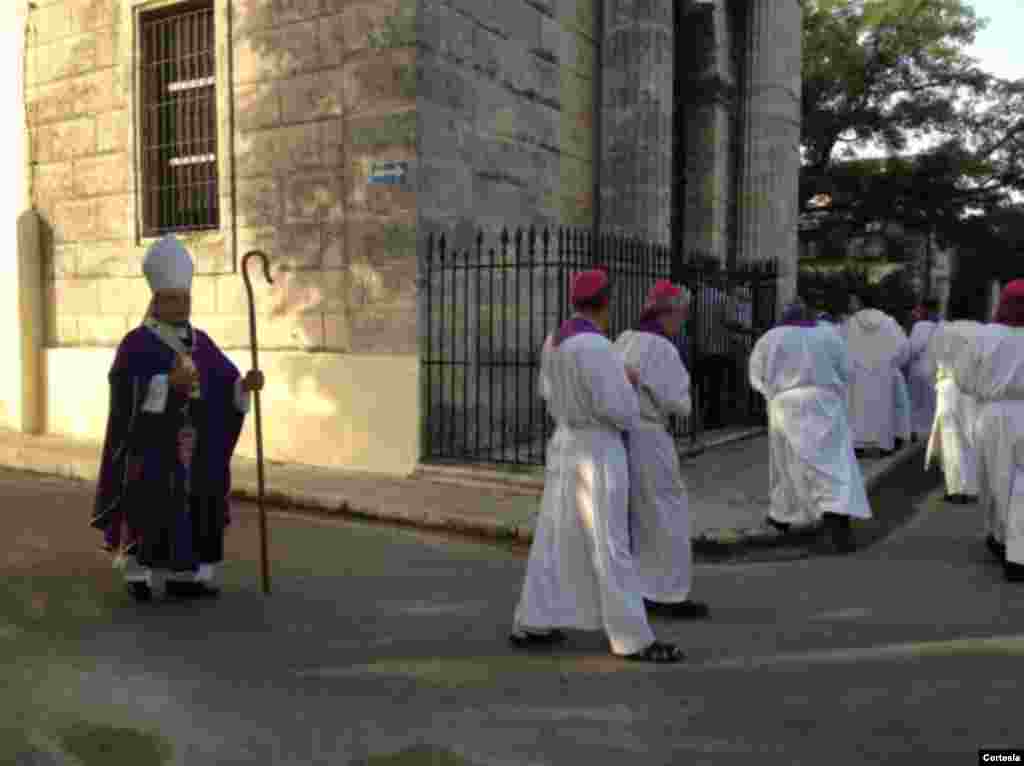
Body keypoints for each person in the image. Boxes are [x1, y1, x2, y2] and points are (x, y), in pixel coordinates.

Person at [510, 269, 685, 662]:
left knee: (553, 536)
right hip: (597, 449)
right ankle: (632, 638)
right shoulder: (598, 346)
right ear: (606, 302)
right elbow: (621, 410)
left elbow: (546, 392)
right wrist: (630, 382)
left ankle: (533, 620)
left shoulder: (554, 340)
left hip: (564, 444)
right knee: (610, 542)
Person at [91, 235, 265, 602]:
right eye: (171, 299)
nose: (180, 306)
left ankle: (186, 576)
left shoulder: (202, 342)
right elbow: (124, 392)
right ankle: (138, 573)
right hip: (152, 444)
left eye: (185, 299)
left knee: (203, 496)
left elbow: (225, 382)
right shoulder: (136, 343)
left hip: (196, 445)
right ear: (155, 301)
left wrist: (243, 386)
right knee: (149, 499)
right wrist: (164, 384)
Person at [614, 280, 709, 619]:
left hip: (623, 436)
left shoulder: (624, 340)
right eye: (682, 314)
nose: (682, 321)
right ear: (668, 313)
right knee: (667, 514)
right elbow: (680, 405)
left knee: (637, 517)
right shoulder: (664, 350)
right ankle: (667, 593)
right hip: (651, 438)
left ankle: (640, 587)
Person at [749, 300, 871, 553]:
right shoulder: (829, 336)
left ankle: (782, 516)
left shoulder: (770, 338)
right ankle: (837, 523)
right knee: (833, 464)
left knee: (786, 463)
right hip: (825, 402)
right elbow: (847, 370)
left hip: (785, 403)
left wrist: (770, 393)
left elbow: (756, 376)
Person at [954, 280, 1024, 580]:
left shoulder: (983, 336)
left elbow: (962, 378)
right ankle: (1012, 545)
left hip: (993, 413)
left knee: (997, 479)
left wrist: (985, 389)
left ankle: (1003, 539)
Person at [842, 293, 910, 456]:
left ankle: (857, 445)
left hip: (857, 376)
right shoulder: (889, 323)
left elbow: (840, 348)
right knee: (882, 410)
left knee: (857, 410)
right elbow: (903, 349)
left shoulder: (850, 324)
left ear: (861, 303)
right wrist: (892, 365)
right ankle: (882, 445)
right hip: (883, 375)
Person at [925, 319, 980, 505]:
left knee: (951, 440)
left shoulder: (942, 331)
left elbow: (930, 365)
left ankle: (955, 488)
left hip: (948, 387)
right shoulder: (982, 332)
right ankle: (972, 488)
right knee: (972, 436)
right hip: (973, 389)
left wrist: (938, 382)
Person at [905, 300, 941, 443]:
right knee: (930, 408)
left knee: (915, 406)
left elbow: (912, 349)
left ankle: (914, 436)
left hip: (918, 371)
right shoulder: (943, 327)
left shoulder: (920, 326)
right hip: (935, 372)